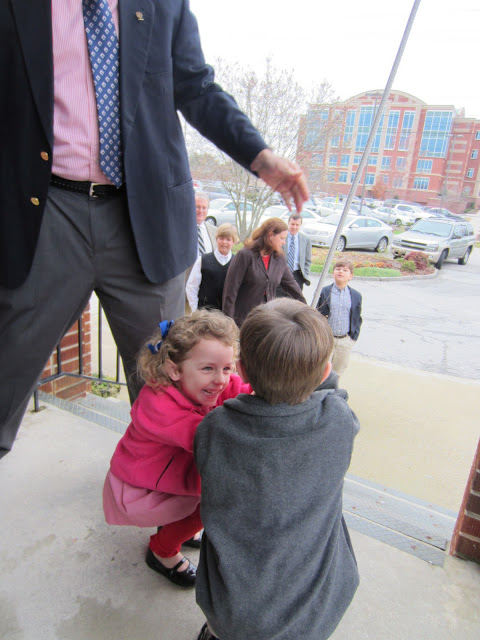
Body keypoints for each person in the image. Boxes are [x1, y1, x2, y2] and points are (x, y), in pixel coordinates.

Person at [0, 1, 309, 458]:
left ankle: (163, 493)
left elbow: (197, 87)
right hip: (44, 213)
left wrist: (258, 155)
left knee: (169, 387)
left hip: (144, 219)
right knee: (7, 367)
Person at [194, 298, 360, 640]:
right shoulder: (338, 421)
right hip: (315, 613)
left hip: (230, 611)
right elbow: (334, 393)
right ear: (324, 373)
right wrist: (319, 372)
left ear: (241, 370)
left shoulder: (215, 428)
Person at [102, 310, 251, 588]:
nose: (221, 379)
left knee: (203, 498)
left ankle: (176, 525)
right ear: (174, 370)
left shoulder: (209, 384)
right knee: (210, 506)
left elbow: (239, 390)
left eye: (227, 368)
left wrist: (262, 393)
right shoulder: (158, 405)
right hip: (145, 484)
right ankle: (162, 550)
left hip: (171, 471)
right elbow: (210, 438)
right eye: (208, 368)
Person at [222, 218, 306, 326]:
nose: (284, 242)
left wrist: (307, 309)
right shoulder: (245, 255)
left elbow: (291, 285)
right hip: (242, 320)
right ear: (270, 235)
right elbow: (230, 291)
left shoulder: (279, 258)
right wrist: (229, 322)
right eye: (281, 238)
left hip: (266, 320)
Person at [316, 258, 363, 377]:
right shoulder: (325, 292)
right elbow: (317, 313)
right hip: (328, 339)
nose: (341, 272)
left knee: (337, 372)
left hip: (344, 341)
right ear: (333, 273)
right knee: (321, 370)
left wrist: (353, 338)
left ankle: (333, 388)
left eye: (345, 270)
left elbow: (357, 318)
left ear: (350, 276)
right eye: (338, 269)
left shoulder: (355, 296)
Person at [186, 224, 239, 312]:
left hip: (227, 314)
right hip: (205, 312)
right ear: (216, 239)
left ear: (234, 242)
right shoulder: (203, 260)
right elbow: (191, 287)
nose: (224, 242)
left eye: (228, 239)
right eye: (221, 238)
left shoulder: (237, 263)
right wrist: (195, 310)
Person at [276, 212, 312, 295]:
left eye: (297, 225)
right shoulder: (281, 237)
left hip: (297, 275)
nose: (294, 227)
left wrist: (305, 273)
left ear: (300, 225)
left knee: (294, 300)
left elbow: (307, 260)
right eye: (292, 224)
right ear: (288, 223)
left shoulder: (305, 239)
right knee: (278, 299)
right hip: (281, 274)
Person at [195, 192, 217, 256]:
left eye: (204, 208)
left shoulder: (215, 231)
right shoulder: (180, 230)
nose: (200, 211)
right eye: (197, 207)